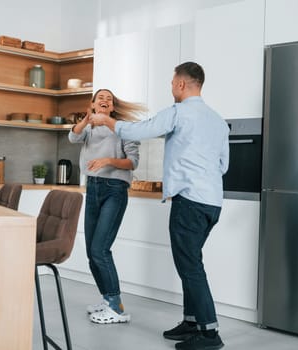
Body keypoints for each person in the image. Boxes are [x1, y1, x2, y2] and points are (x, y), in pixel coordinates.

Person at [90, 62, 228, 350]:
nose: (171, 87)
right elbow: (223, 165)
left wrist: (108, 122)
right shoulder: (216, 119)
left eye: (172, 82)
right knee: (191, 261)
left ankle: (209, 333)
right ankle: (192, 321)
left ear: (181, 84)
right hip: (212, 201)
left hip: (189, 200)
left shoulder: (179, 112)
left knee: (190, 266)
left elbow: (141, 130)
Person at [69, 89, 147, 324]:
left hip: (114, 189)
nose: (104, 100)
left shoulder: (124, 128)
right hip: (92, 188)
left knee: (101, 249)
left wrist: (108, 161)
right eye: (99, 98)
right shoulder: (89, 129)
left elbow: (132, 162)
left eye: (108, 99)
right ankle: (107, 298)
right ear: (92, 104)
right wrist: (86, 119)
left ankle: (117, 307)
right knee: (92, 252)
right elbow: (72, 137)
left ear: (112, 107)